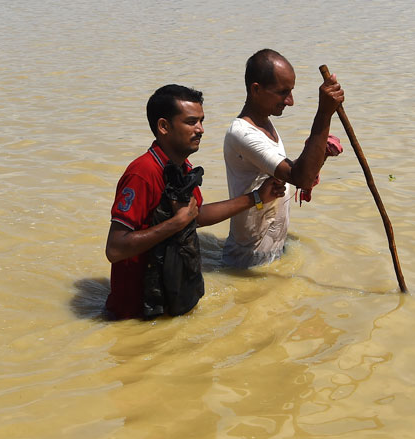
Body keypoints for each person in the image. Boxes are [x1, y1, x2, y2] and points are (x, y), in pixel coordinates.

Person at [105, 84, 286, 320]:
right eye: (191, 122)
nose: (200, 129)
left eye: (201, 121)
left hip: (169, 304)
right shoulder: (143, 172)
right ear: (164, 126)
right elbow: (115, 249)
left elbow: (196, 216)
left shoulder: (181, 168)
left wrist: (256, 198)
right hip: (136, 314)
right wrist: (175, 223)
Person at [222, 50, 344, 268]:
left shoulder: (266, 123)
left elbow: (293, 173)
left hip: (271, 251)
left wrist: (320, 154)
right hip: (249, 259)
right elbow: (300, 177)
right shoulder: (242, 133)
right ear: (256, 90)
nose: (290, 101)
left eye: (291, 91)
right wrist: (324, 114)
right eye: (282, 93)